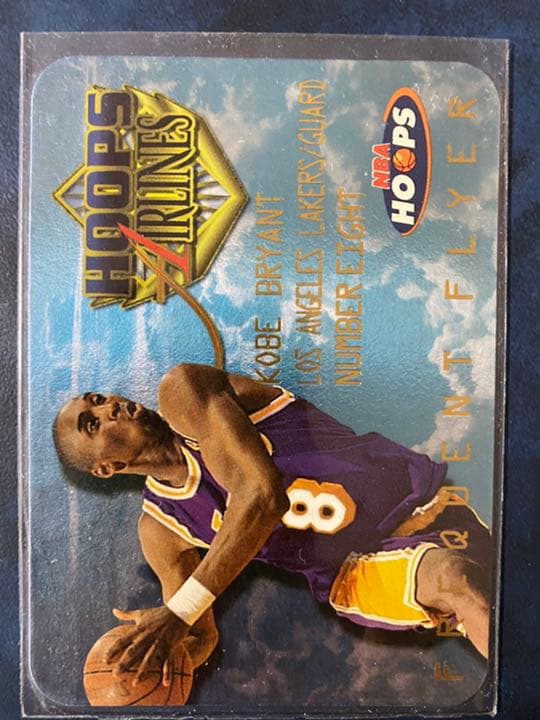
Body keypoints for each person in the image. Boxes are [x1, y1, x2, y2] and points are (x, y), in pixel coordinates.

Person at [53, 363, 492, 689]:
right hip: (354, 570)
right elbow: (199, 634)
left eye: (98, 398)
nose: (109, 406)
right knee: (457, 581)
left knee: (503, 593)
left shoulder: (184, 392)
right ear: (106, 468)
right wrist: (158, 659)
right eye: (93, 423)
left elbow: (263, 497)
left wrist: (178, 614)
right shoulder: (161, 530)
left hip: (420, 502)